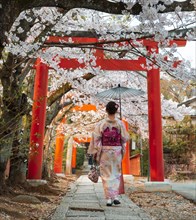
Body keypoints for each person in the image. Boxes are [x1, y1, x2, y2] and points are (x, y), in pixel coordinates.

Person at [88, 101, 129, 206]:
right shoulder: (120, 123)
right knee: (116, 173)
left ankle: (108, 199)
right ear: (116, 111)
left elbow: (96, 138)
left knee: (106, 174)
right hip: (117, 151)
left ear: (106, 110)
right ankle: (115, 196)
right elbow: (125, 138)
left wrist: (96, 150)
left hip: (105, 151)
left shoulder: (101, 123)